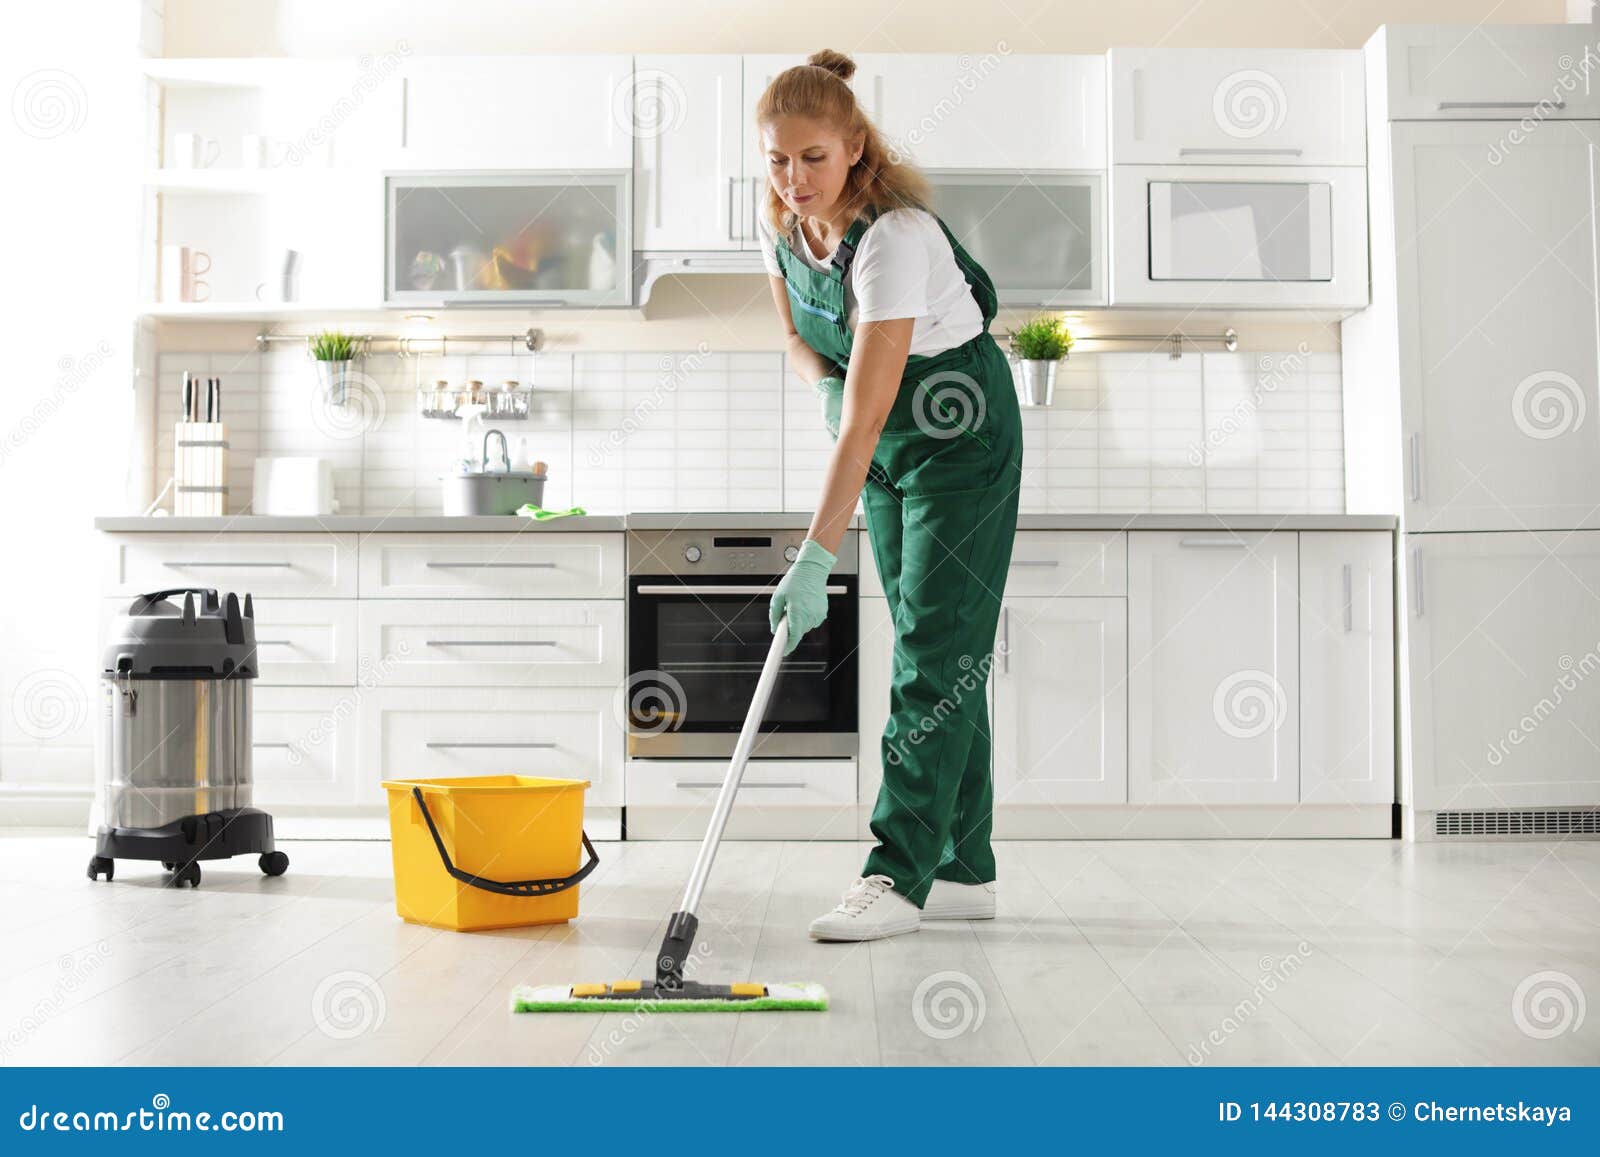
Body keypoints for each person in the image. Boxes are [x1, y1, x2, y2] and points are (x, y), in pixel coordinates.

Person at [758, 49, 1023, 942]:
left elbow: (866, 417)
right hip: (882, 444)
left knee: (932, 655)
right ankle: (962, 867)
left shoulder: (895, 239)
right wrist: (819, 378)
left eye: (813, 159)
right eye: (778, 159)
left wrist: (811, 555)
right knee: (939, 652)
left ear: (856, 147)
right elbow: (796, 339)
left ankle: (896, 875)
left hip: (960, 435)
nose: (794, 180)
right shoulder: (782, 227)